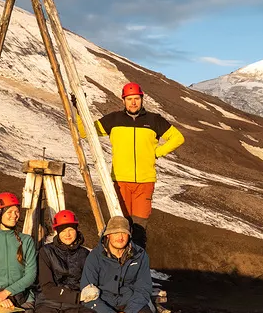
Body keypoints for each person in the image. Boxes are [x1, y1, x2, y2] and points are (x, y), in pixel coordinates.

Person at [78, 82, 184, 247]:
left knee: (140, 227)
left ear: (142, 99)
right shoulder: (114, 119)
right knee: (121, 225)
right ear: (123, 101)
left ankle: (137, 264)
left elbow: (178, 138)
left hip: (145, 181)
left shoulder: (154, 120)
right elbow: (85, 132)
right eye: (129, 99)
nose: (133, 102)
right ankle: (119, 263)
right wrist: (79, 110)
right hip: (121, 180)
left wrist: (157, 153)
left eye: (136, 98)